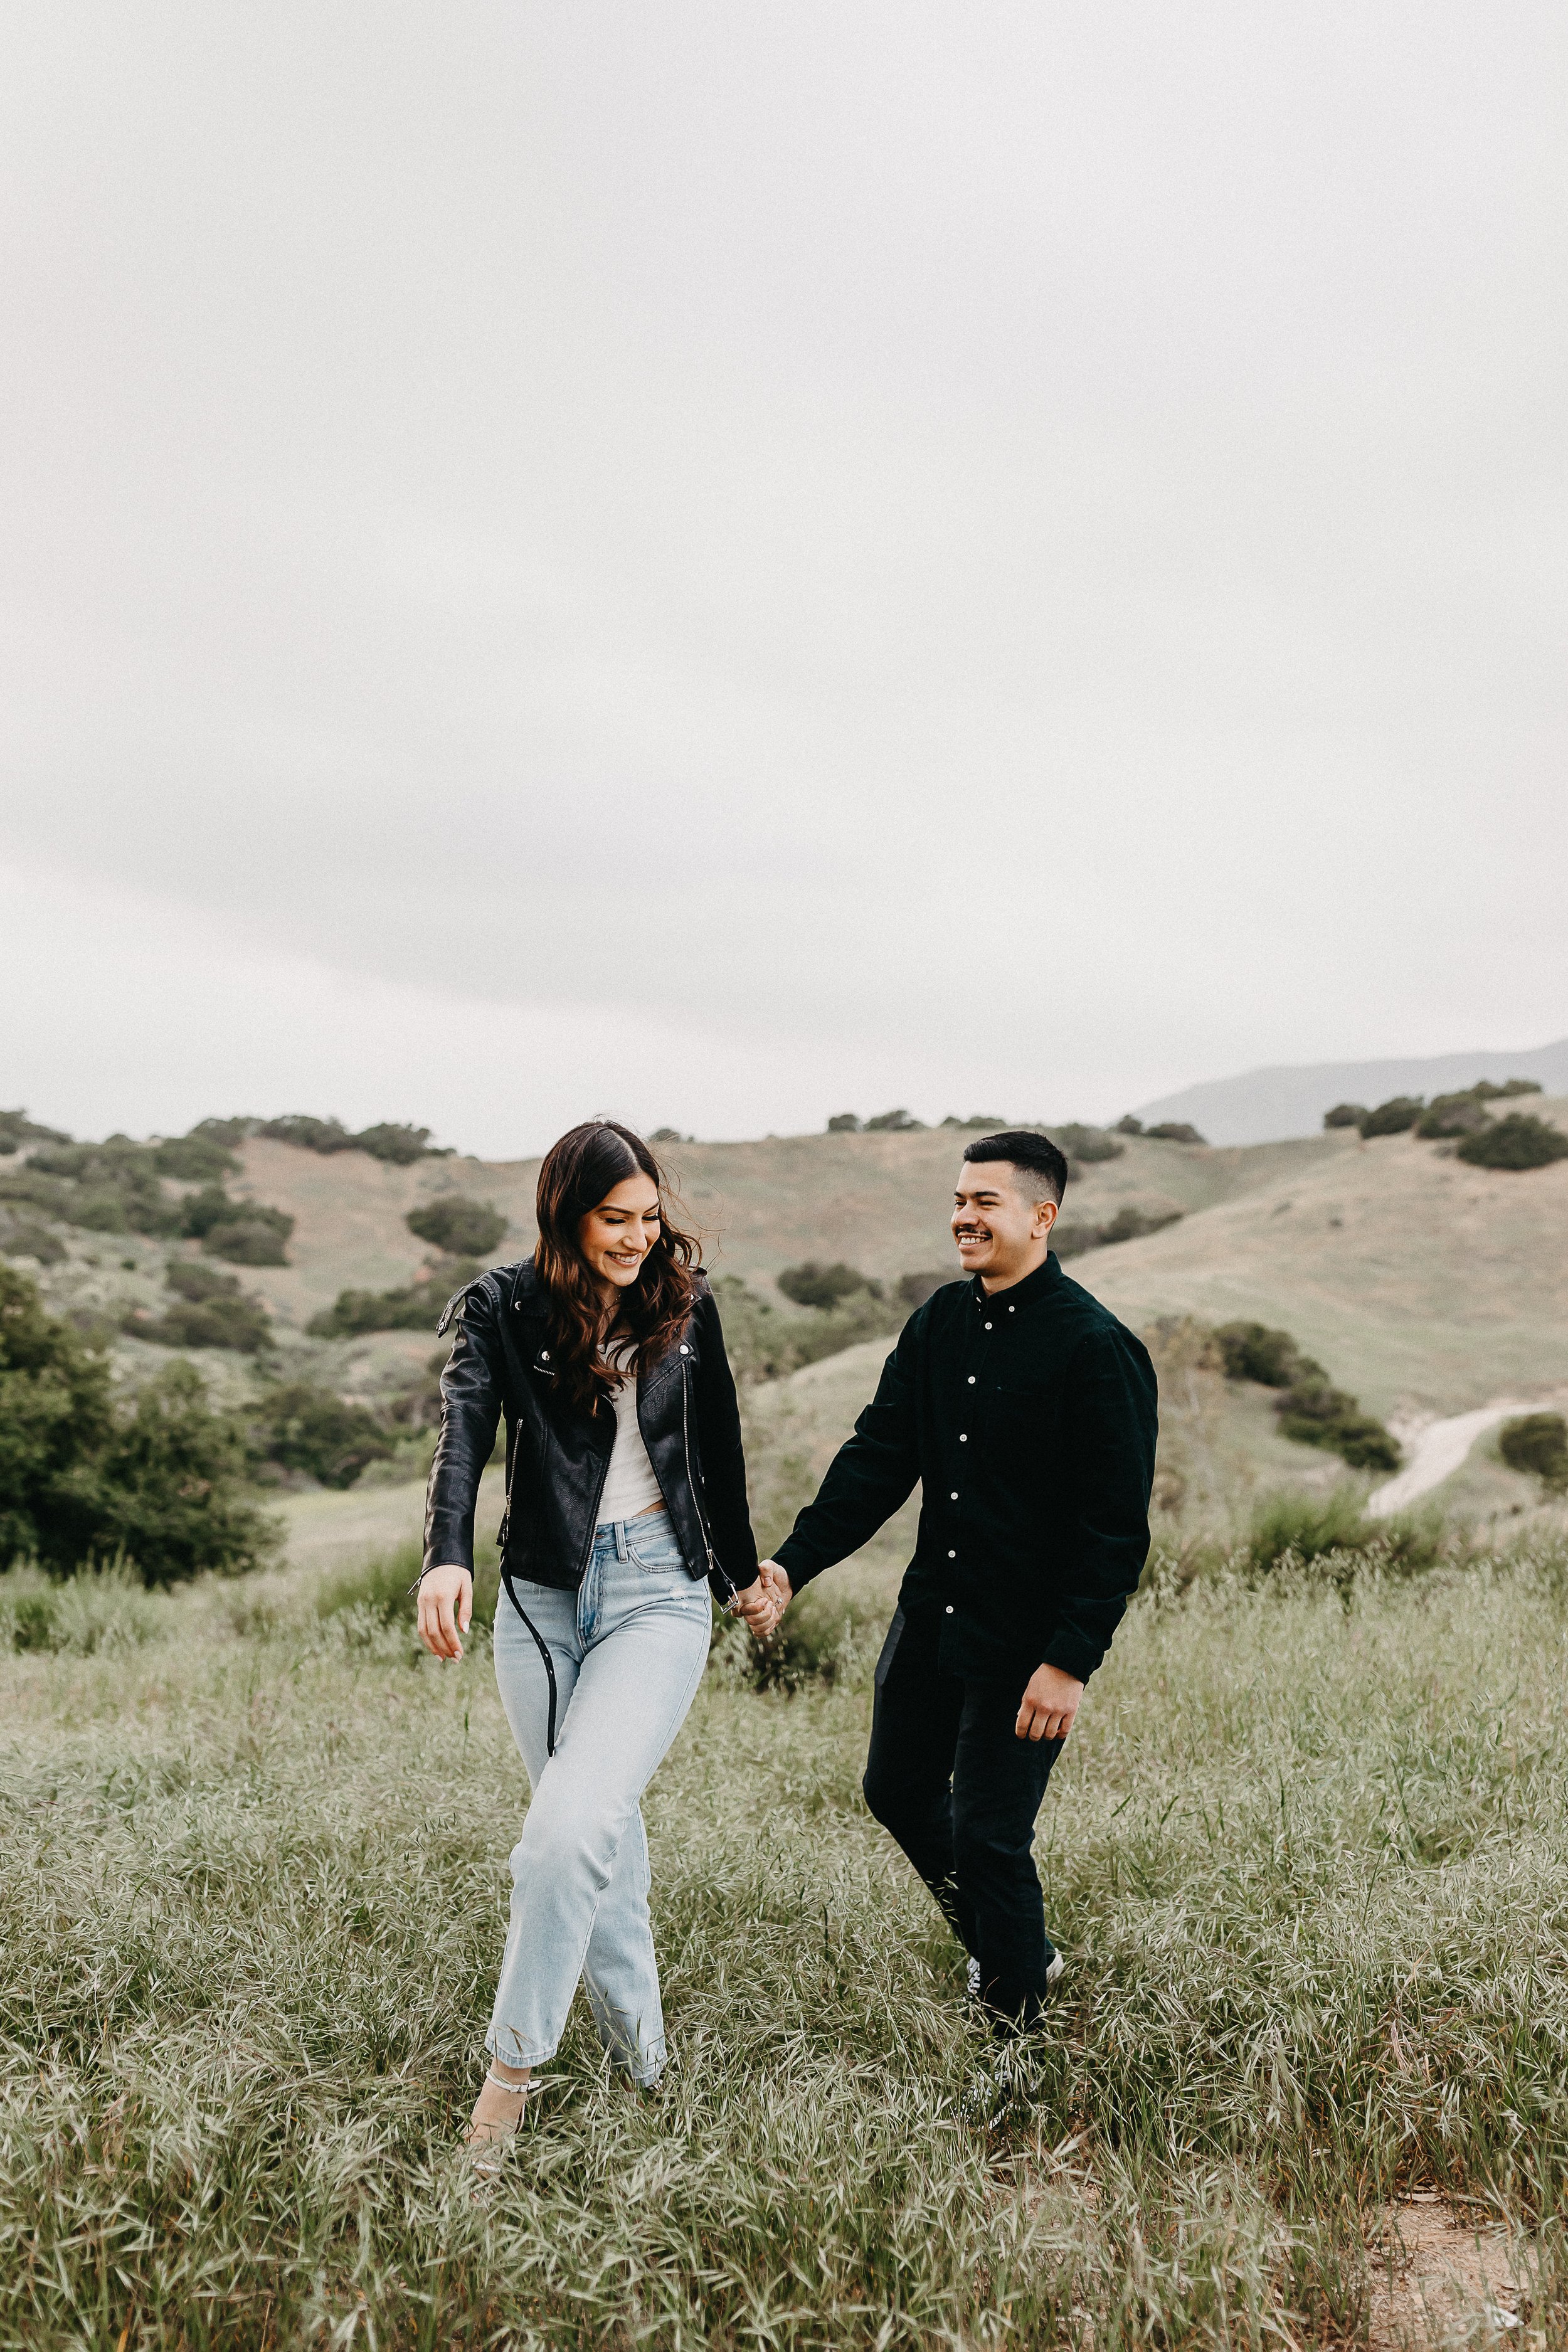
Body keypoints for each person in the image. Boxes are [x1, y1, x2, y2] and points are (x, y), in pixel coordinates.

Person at [416, 1119, 780, 2171]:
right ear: (566, 1216)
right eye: (615, 1220)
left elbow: (719, 1448)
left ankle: (503, 2095)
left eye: (650, 1216)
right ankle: (649, 2075)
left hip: (660, 1592)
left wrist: (743, 1571)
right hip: (538, 1598)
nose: (637, 1238)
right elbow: (465, 1426)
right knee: (596, 1841)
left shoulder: (687, 1302)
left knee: (565, 1833)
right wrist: (448, 1555)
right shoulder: (505, 1304)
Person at [756, 1129, 1157, 2055]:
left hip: (1027, 1644)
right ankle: (1016, 1950)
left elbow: (1115, 1528)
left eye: (986, 1201)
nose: (963, 1216)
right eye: (958, 1199)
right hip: (931, 1614)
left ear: (1041, 1216)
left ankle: (1015, 2041)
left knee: (988, 1835)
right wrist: (793, 1563)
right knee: (894, 1789)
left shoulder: (1098, 1348)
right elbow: (877, 1459)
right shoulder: (938, 1321)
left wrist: (1069, 1660)